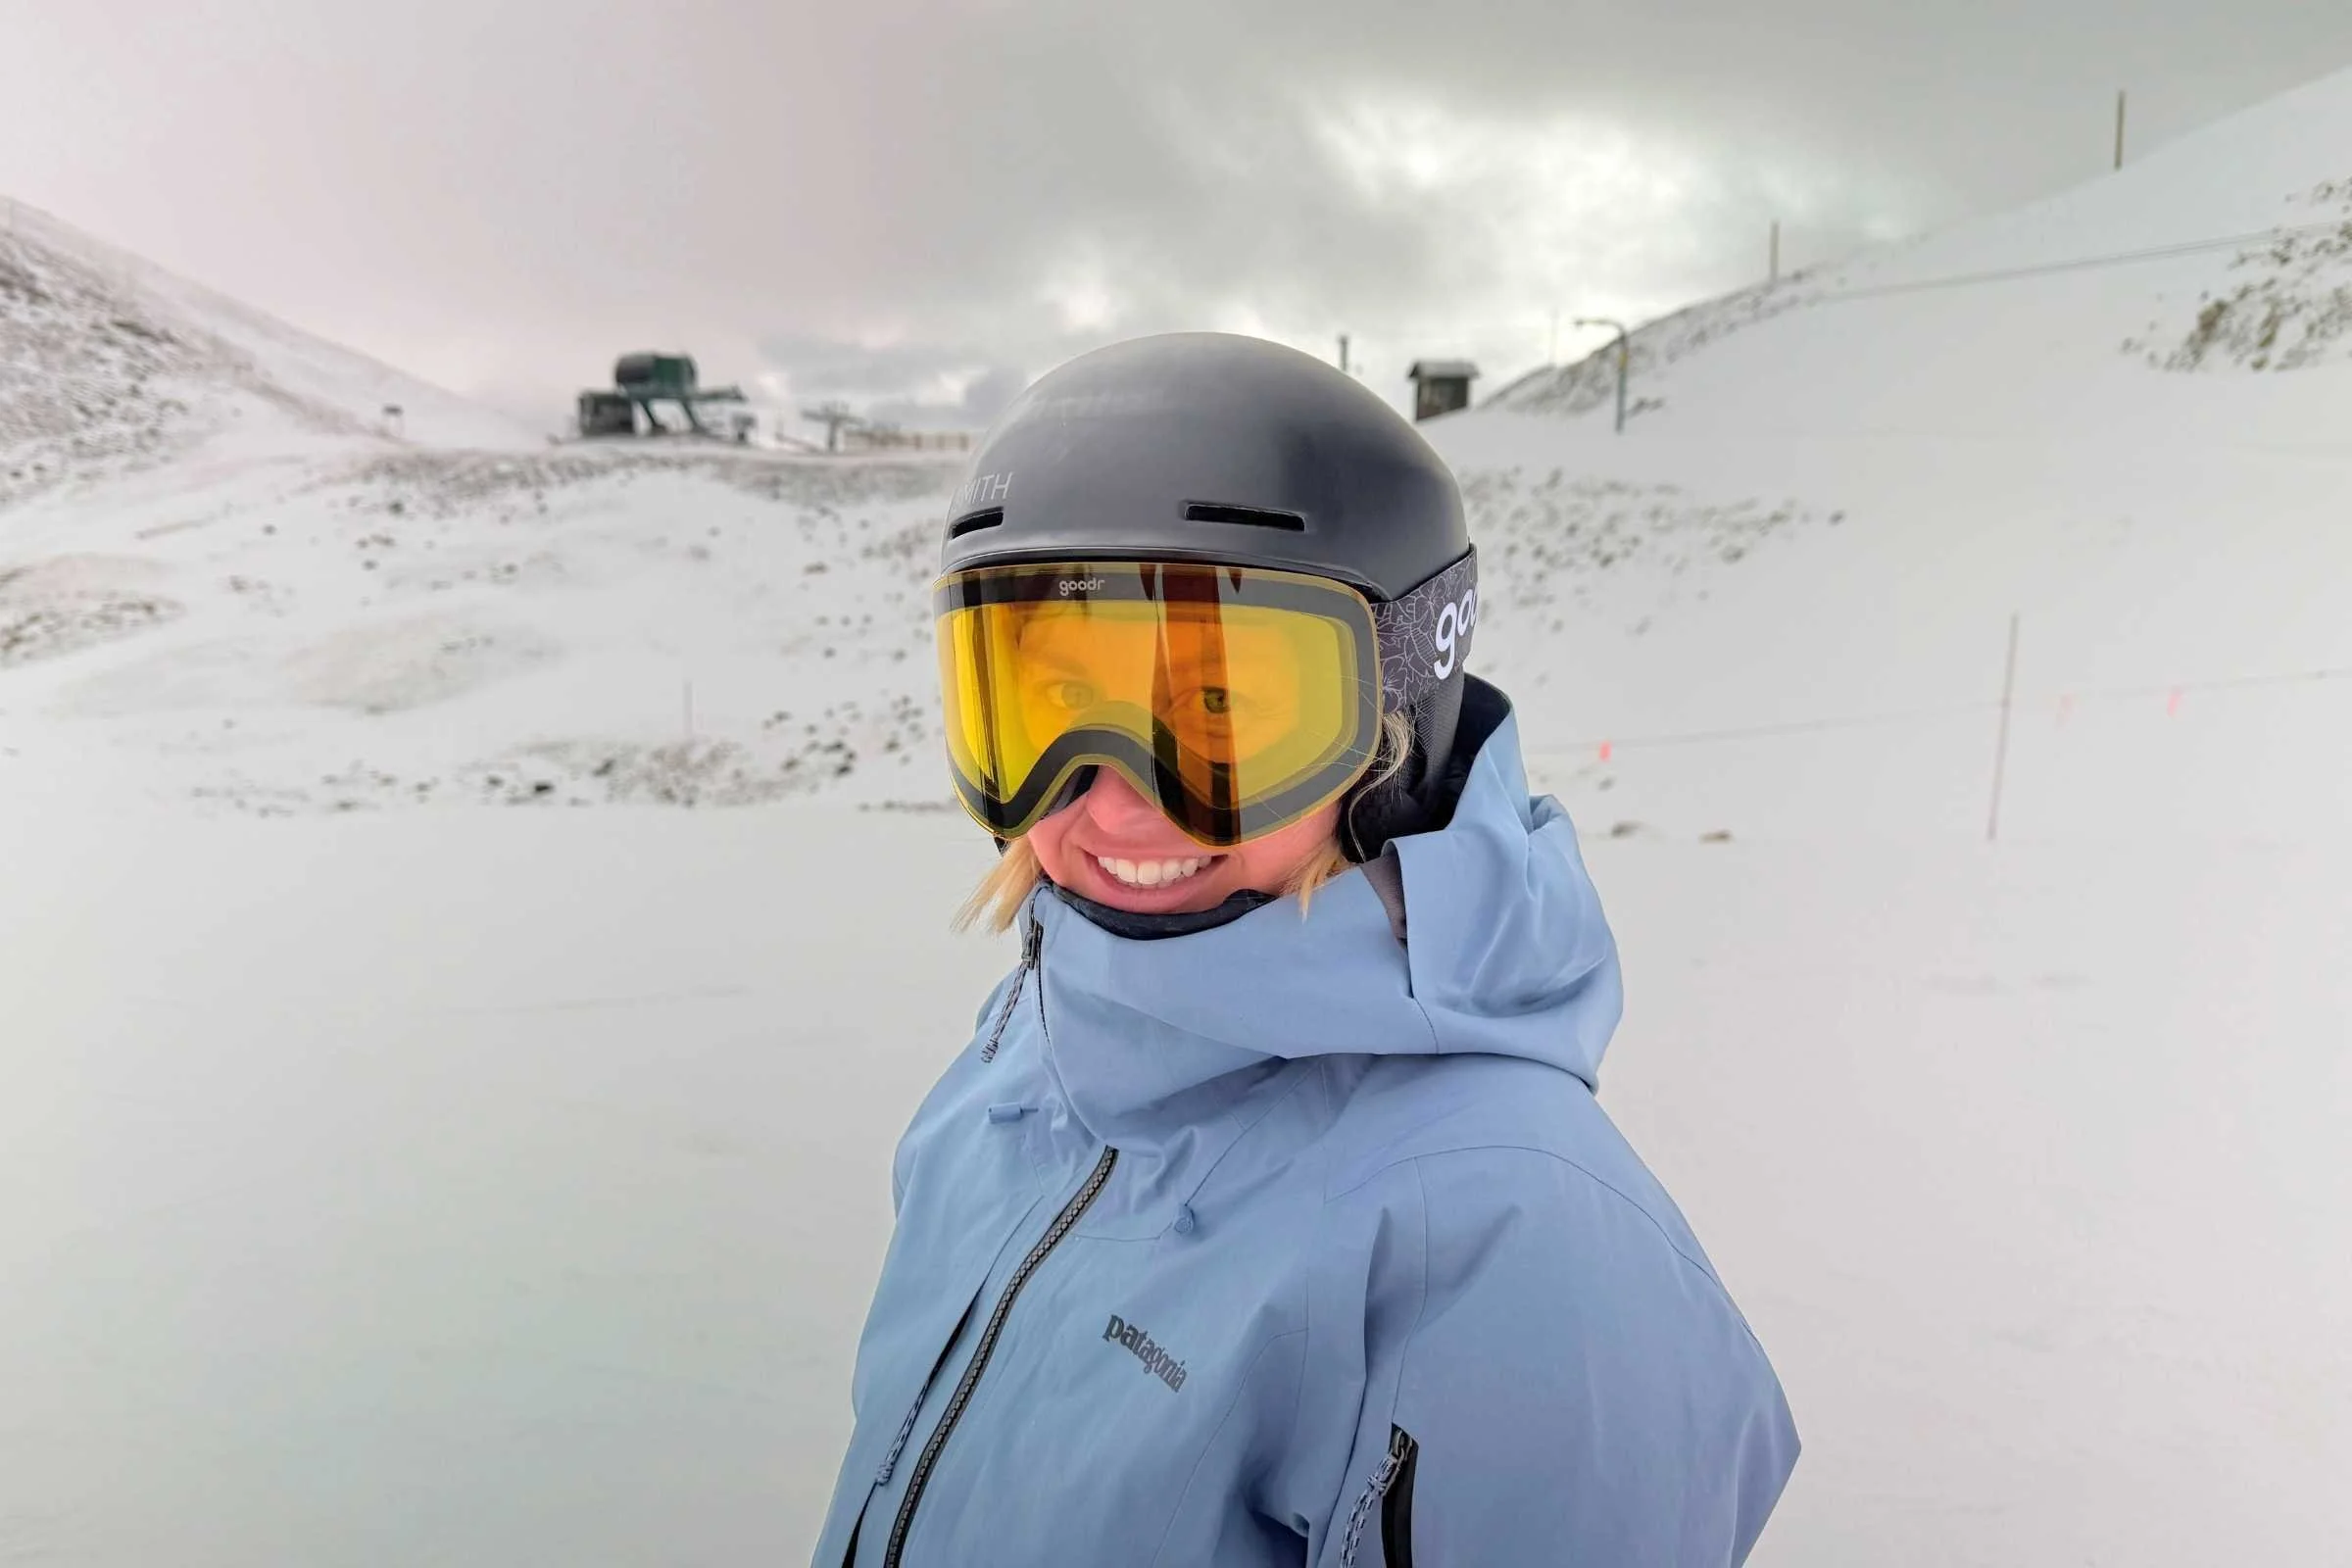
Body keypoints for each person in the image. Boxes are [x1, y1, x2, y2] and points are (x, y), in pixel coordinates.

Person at [811, 333, 1797, 1568]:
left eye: (1219, 711)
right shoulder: (1020, 1073)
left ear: (1391, 734)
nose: (1112, 803)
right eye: (1054, 703)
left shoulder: (1518, 1247)